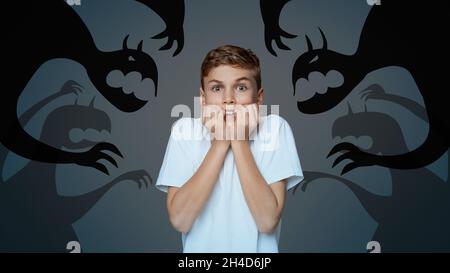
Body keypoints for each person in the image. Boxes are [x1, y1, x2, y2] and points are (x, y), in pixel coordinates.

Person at [156, 45, 304, 252]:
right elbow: (181, 220)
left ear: (259, 97)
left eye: (241, 87)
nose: (228, 99)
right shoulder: (185, 130)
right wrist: (220, 143)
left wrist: (239, 140)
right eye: (217, 88)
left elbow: (267, 221)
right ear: (203, 98)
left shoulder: (275, 129)